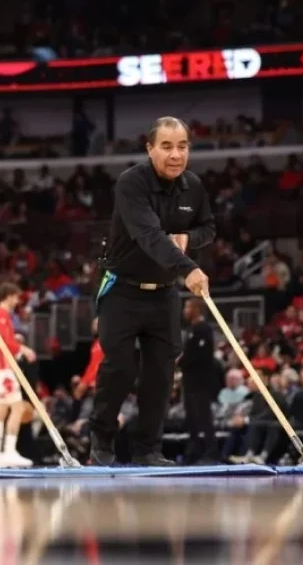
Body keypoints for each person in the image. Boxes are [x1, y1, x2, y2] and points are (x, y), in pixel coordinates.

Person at [89, 116, 215, 467]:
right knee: (121, 367)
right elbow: (149, 235)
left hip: (164, 293)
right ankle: (100, 441)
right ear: (149, 148)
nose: (176, 155)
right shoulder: (131, 183)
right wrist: (187, 266)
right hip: (122, 290)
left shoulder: (194, 187)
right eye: (167, 146)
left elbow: (209, 227)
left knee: (160, 374)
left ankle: (149, 450)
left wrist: (191, 239)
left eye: (183, 146)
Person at [0, 283, 37, 468]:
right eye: (16, 297)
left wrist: (17, 348)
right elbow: (4, 342)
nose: (18, 301)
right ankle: (9, 450)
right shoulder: (2, 315)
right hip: (3, 368)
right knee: (18, 408)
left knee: (1, 411)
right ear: (8, 296)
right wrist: (24, 349)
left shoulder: (0, 315)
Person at [178, 298, 218, 464]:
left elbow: (201, 355)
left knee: (204, 417)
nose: (184, 311)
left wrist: (181, 361)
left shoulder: (203, 329)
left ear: (196, 309)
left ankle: (212, 452)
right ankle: (193, 452)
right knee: (192, 419)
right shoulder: (190, 330)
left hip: (200, 381)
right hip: (189, 381)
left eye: (187, 307)